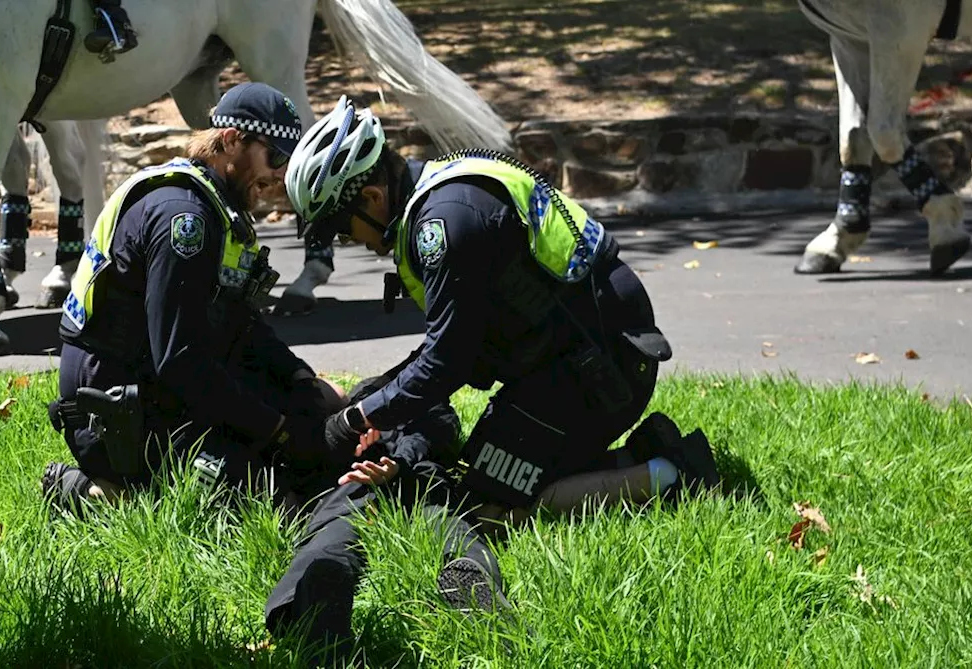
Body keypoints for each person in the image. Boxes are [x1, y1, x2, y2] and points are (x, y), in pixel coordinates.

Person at [285, 96, 723, 534]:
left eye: (343, 228)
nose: (349, 241)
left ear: (372, 196)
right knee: (479, 473)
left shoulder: (445, 227)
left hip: (603, 370)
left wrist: (354, 419)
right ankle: (639, 453)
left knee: (486, 510)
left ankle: (674, 473)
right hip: (579, 357)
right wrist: (380, 396)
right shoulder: (442, 194)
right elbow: (461, 340)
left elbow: (446, 362)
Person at [41, 82, 350, 516]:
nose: (281, 174)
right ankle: (95, 491)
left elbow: (240, 324)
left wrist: (302, 380)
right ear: (229, 141)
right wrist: (275, 428)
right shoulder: (184, 219)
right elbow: (181, 359)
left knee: (325, 412)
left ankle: (134, 485)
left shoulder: (214, 207)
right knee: (282, 506)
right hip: (118, 413)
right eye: (275, 156)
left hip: (162, 385)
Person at [263, 375, 509, 663]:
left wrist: (396, 463)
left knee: (352, 518)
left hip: (409, 475)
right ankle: (314, 593)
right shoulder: (357, 411)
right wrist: (356, 441)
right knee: (443, 519)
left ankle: (473, 580)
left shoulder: (427, 406)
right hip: (372, 474)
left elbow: (433, 432)